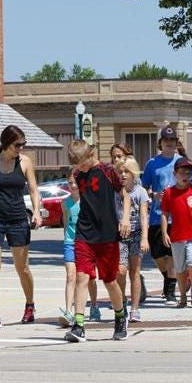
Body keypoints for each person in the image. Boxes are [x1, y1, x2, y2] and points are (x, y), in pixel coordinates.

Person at [0, 125, 43, 328]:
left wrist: (36, 212)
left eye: (23, 144)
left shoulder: (25, 162)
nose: (20, 148)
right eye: (17, 145)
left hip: (18, 219)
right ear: (6, 143)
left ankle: (29, 305)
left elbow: (33, 189)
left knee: (22, 268)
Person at [64, 140, 131, 342]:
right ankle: (79, 325)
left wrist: (125, 218)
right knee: (82, 277)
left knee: (110, 281)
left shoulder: (107, 171)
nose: (80, 170)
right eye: (77, 166)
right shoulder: (77, 174)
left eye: (83, 164)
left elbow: (124, 195)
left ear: (91, 155)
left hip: (107, 234)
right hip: (84, 233)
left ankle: (120, 317)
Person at [161, 159, 192, 308]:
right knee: (180, 268)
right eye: (182, 172)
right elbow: (164, 214)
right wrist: (164, 232)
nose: (185, 176)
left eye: (188, 173)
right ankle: (182, 295)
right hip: (177, 237)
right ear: (175, 174)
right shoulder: (169, 192)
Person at [141, 125, 181, 302]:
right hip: (157, 215)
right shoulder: (152, 164)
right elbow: (143, 188)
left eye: (172, 141)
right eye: (166, 141)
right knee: (157, 254)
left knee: (172, 253)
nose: (169, 144)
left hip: (177, 216)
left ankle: (171, 289)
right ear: (161, 143)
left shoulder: (182, 162)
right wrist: (154, 195)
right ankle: (168, 278)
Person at [115, 157, 149, 321]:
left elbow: (144, 217)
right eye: (120, 172)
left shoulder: (140, 191)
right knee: (120, 270)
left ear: (133, 173)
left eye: (126, 171)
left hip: (136, 234)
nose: (123, 175)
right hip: (120, 236)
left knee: (135, 272)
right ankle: (122, 300)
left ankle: (135, 309)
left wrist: (145, 238)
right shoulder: (115, 191)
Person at [58, 176, 82, 327]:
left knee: (87, 278)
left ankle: (93, 305)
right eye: (70, 183)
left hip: (85, 242)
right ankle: (68, 311)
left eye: (75, 182)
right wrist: (67, 239)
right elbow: (66, 224)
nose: (73, 186)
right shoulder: (65, 203)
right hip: (70, 242)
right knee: (71, 275)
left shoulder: (87, 201)